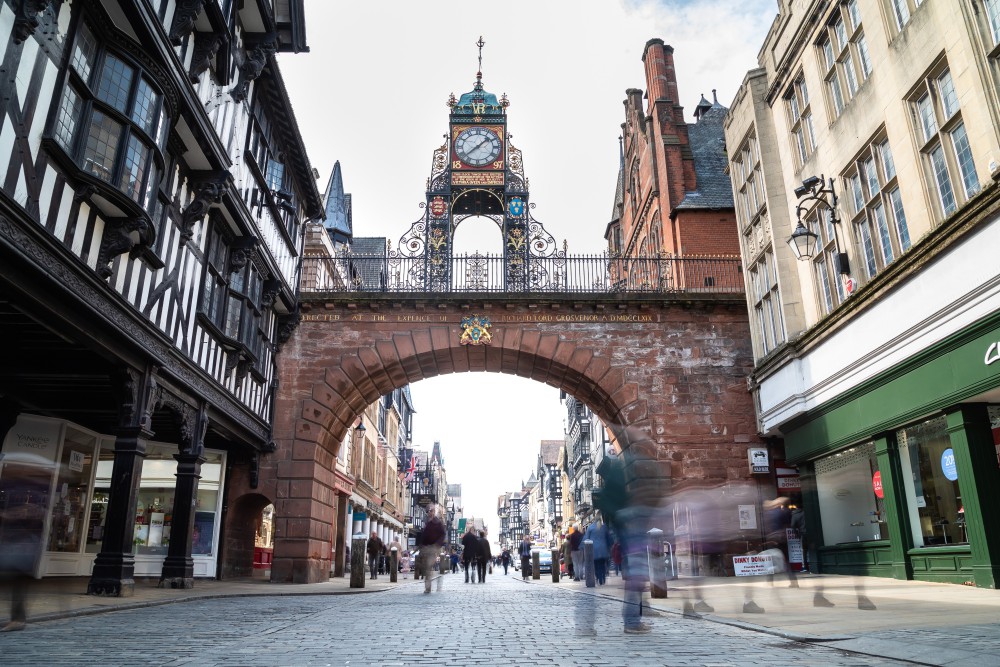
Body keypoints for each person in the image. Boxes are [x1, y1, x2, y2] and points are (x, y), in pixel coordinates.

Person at [0, 468, 48, 632]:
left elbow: (35, 522)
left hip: (22, 549)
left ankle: (18, 619)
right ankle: (18, 618)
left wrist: (11, 516)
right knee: (13, 582)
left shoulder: (31, 497)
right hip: (11, 547)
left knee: (17, 582)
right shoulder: (10, 492)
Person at [418, 507, 446, 594]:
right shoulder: (428, 522)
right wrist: (421, 544)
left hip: (433, 547)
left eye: (431, 511)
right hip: (425, 547)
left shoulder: (438, 523)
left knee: (428, 566)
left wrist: (437, 544)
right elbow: (424, 535)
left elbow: (443, 534)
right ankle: (432, 580)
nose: (429, 513)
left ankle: (428, 588)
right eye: (428, 511)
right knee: (424, 567)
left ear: (434, 512)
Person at [585, 519, 612, 585]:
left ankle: (598, 577)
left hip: (593, 549)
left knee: (596, 565)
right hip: (603, 549)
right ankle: (602, 578)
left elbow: (587, 539)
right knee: (602, 564)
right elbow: (609, 539)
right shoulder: (604, 527)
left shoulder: (590, 528)